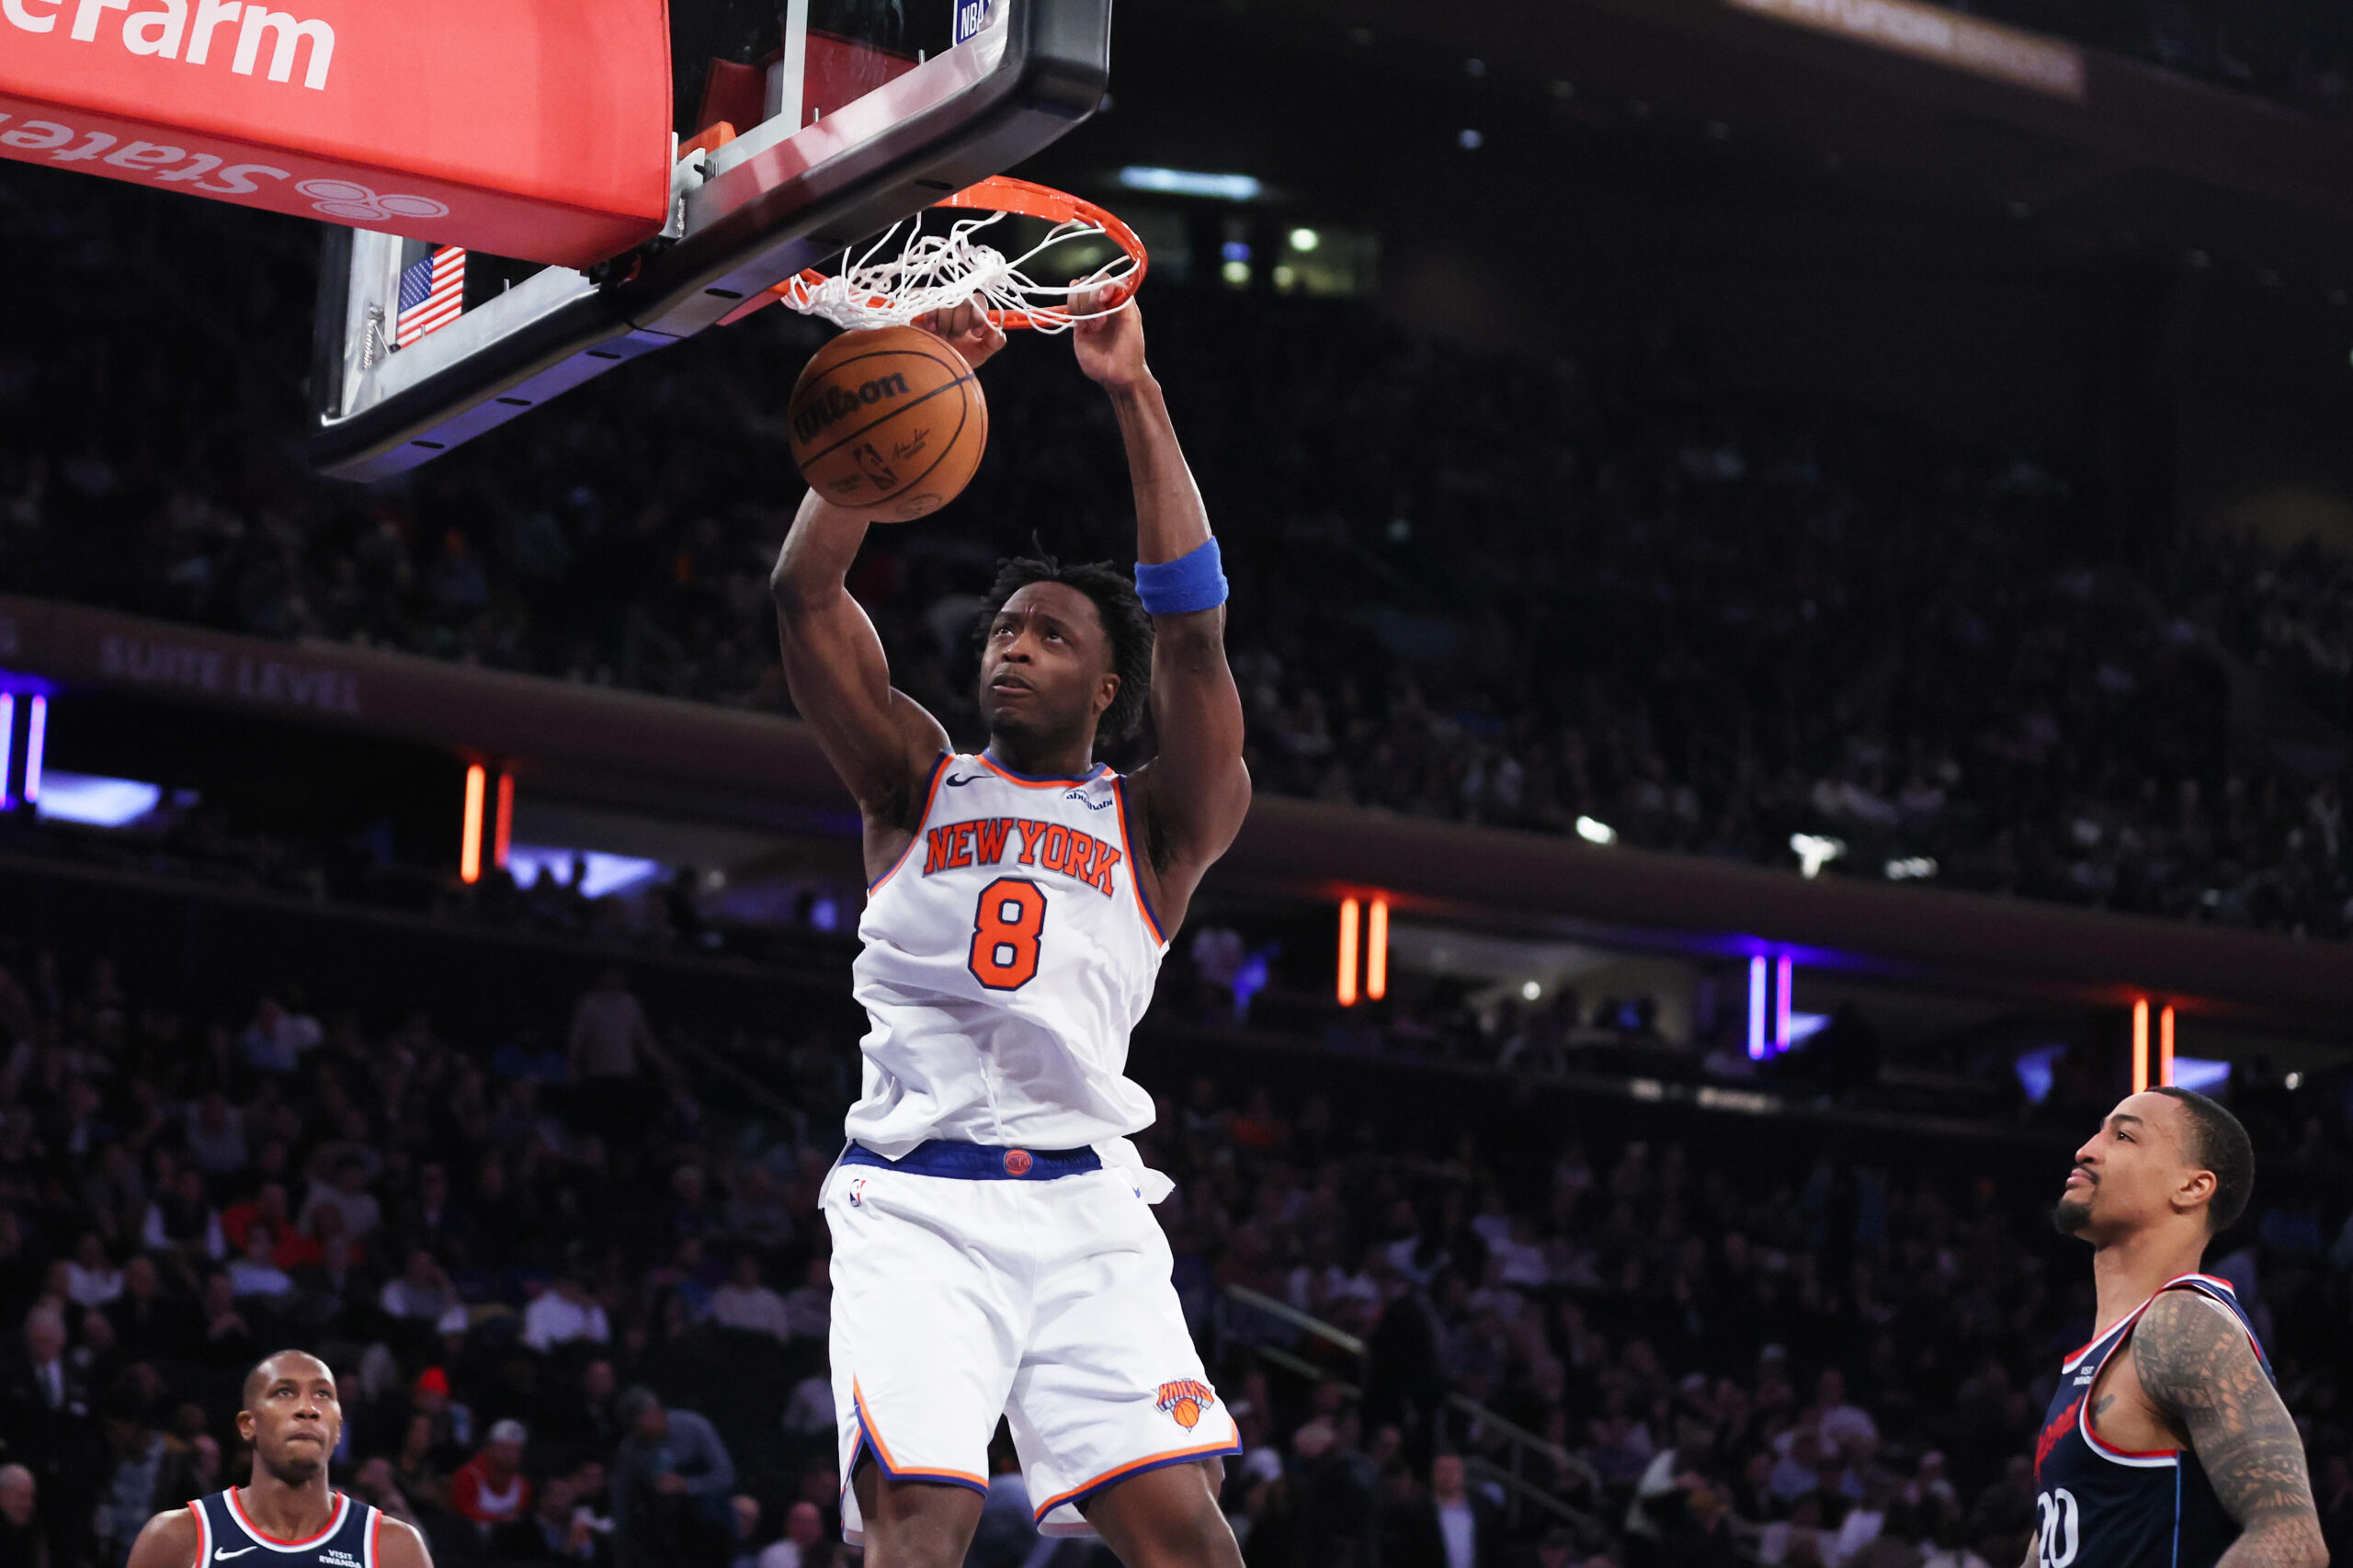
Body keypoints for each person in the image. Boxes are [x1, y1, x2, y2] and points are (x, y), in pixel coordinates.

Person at [769, 288, 1250, 1564]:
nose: (1011, 646)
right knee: (919, 1523)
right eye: (1001, 626)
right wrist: (905, 389)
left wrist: (1133, 395)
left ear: (1106, 685)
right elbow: (805, 595)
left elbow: (1196, 636)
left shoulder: (1155, 820)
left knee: (1191, 1541)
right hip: (918, 1205)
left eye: (1048, 632)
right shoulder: (912, 779)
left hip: (1087, 1209)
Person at [2030, 1087, 2326, 1567]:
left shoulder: (2183, 1325)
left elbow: (2292, 1538)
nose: (2085, 1149)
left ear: (2192, 1187)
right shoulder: (2097, 1358)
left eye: (2124, 1136)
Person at [122, 1349, 434, 1568]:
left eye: (322, 1394)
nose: (308, 1408)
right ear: (248, 1425)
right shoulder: (177, 1537)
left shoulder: (393, 1548)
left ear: (338, 1428)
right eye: (284, 1392)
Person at [450, 1419, 533, 1534]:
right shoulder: (469, 1476)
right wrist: (501, 1520)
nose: (509, 1455)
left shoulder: (522, 1486)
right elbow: (462, 1514)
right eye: (504, 1449)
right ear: (488, 1449)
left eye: (515, 1451)